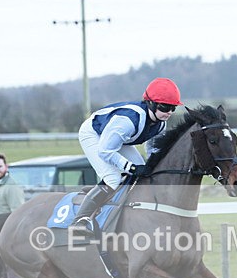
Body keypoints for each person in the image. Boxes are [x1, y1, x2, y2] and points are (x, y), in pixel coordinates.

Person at [70, 77, 183, 236]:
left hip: (119, 140)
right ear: (150, 103)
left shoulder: (160, 124)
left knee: (143, 175)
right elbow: (105, 151)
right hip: (94, 135)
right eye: (165, 107)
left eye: (173, 108)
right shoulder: (128, 121)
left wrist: (153, 166)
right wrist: (131, 167)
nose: (169, 112)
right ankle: (79, 222)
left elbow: (153, 149)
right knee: (113, 178)